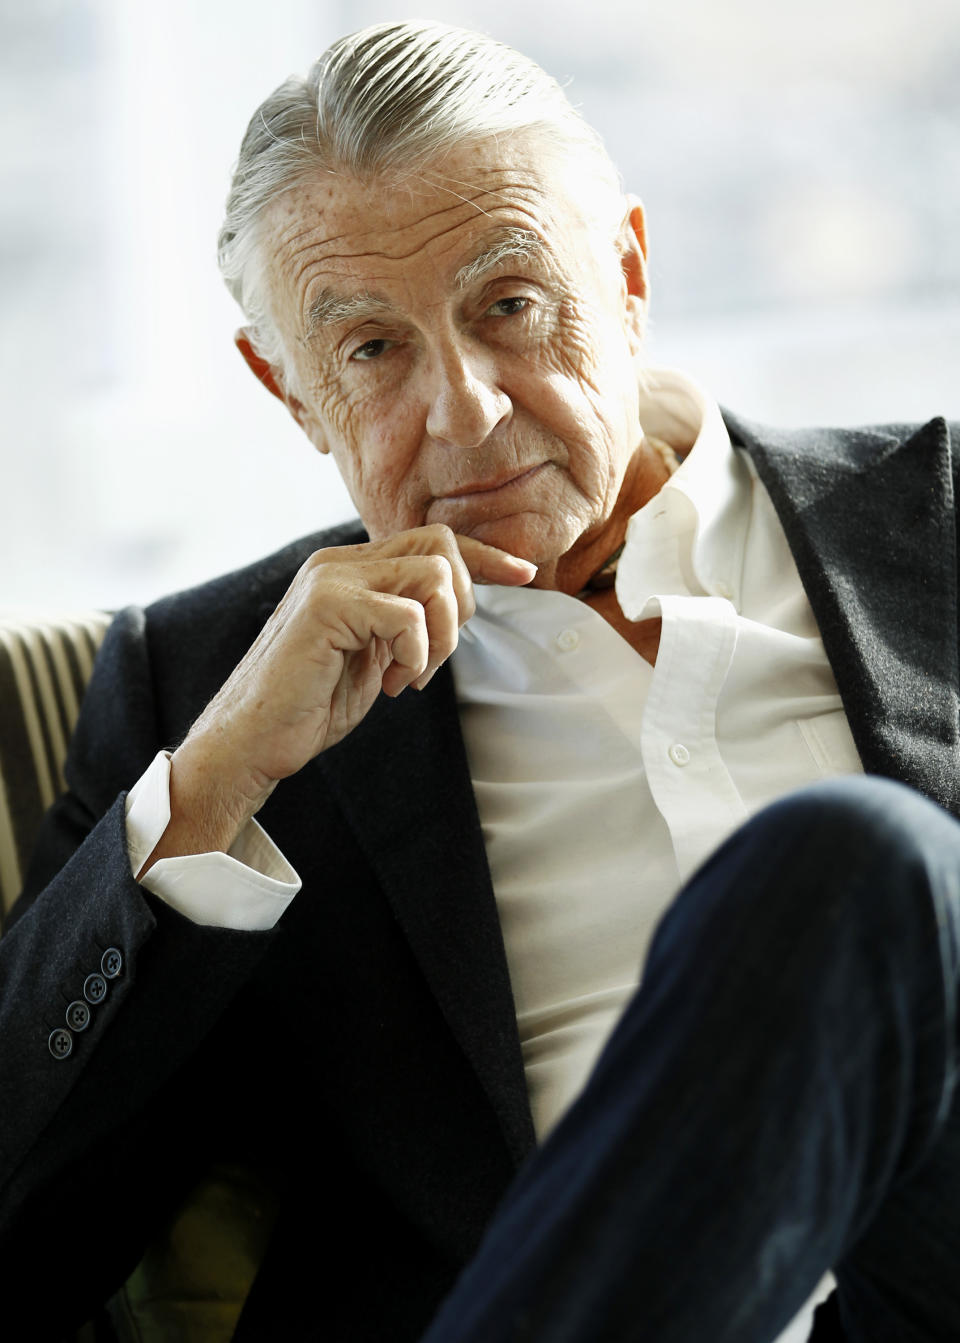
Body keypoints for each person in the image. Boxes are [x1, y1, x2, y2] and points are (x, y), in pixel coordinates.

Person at [1, 18, 959, 1342]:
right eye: (373, 352)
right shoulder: (205, 690)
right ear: (287, 391)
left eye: (509, 305)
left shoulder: (937, 525)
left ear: (626, 274)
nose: (467, 412)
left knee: (865, 864)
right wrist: (221, 783)